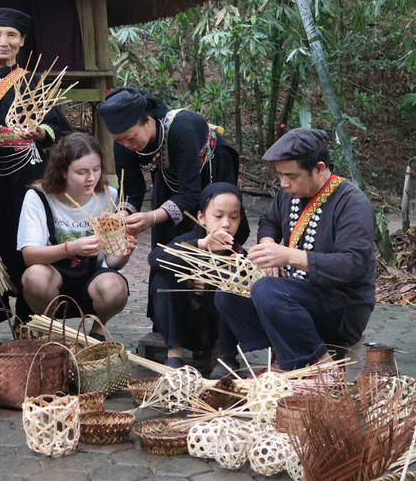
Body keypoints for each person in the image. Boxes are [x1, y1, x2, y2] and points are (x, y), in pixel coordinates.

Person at [215, 128, 376, 371]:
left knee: (268, 290)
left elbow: (353, 265)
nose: (284, 183)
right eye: (280, 175)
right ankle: (283, 354)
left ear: (319, 168)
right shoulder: (288, 194)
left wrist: (289, 256)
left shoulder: (352, 203)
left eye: (291, 176)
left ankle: (322, 368)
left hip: (340, 307)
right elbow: (269, 221)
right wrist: (268, 246)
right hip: (297, 295)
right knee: (229, 291)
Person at [0, 7, 68, 319]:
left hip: (26, 179)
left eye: (11, 35)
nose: (4, 41)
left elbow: (58, 128)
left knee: (28, 241)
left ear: (22, 40)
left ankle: (29, 321)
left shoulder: (35, 82)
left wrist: (40, 131)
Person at [96, 86, 239, 247]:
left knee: (210, 228)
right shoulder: (123, 143)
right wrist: (122, 215)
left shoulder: (182, 128)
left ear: (149, 122)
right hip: (168, 173)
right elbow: (131, 191)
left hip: (209, 169)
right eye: (119, 140)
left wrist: (151, 217)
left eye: (131, 137)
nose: (126, 145)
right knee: (165, 241)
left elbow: (190, 193)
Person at [16, 133, 134, 323]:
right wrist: (71, 248)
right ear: (63, 171)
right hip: (53, 274)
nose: (92, 178)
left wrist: (126, 248)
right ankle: (50, 329)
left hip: (93, 276)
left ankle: (98, 330)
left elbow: (113, 263)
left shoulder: (108, 195)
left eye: (96, 169)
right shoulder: (39, 197)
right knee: (34, 277)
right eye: (82, 172)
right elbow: (29, 256)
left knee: (115, 288)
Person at [147, 182, 250, 370]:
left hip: (215, 328)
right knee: (163, 276)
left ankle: (225, 354)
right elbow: (154, 259)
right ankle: (175, 354)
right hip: (183, 323)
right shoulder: (190, 241)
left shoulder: (239, 253)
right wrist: (200, 246)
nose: (226, 224)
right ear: (201, 217)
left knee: (238, 285)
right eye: (218, 216)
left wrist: (210, 284)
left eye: (234, 217)